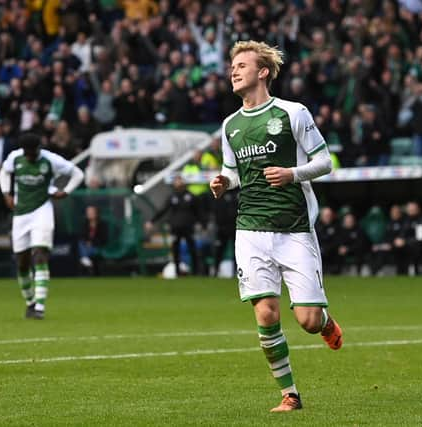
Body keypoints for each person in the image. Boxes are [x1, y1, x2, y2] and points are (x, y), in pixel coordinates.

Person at [209, 41, 343, 413]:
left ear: (262, 71)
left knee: (308, 320)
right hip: (250, 228)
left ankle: (327, 322)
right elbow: (233, 173)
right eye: (232, 66)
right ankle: (290, 394)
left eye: (241, 65)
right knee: (266, 313)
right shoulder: (230, 125)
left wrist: (292, 173)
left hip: (295, 227)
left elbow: (325, 161)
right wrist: (223, 182)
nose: (233, 72)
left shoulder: (292, 113)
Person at [0, 132, 84, 320]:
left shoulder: (51, 160)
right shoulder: (15, 157)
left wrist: (66, 191)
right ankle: (30, 302)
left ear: (38, 148)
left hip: (42, 211)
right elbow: (4, 171)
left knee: (40, 255)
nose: (30, 156)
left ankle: (39, 307)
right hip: (20, 214)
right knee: (22, 263)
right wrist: (6, 193)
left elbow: (77, 173)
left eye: (33, 152)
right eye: (27, 153)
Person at [146, 175, 201, 276]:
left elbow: (198, 212)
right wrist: (152, 221)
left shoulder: (191, 196)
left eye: (180, 181)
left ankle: (196, 271)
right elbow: (163, 210)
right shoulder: (172, 197)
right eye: (176, 181)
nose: (178, 183)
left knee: (192, 248)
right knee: (175, 249)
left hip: (188, 226)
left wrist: (201, 223)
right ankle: (177, 271)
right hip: (176, 227)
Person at [78, 205, 109, 275]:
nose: (89, 214)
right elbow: (82, 237)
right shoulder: (84, 224)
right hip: (86, 247)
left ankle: (85, 259)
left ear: (96, 213)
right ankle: (85, 259)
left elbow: (103, 239)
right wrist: (87, 242)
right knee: (80, 244)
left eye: (91, 212)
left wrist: (92, 243)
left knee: (85, 248)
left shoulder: (102, 225)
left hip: (97, 247)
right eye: (88, 212)